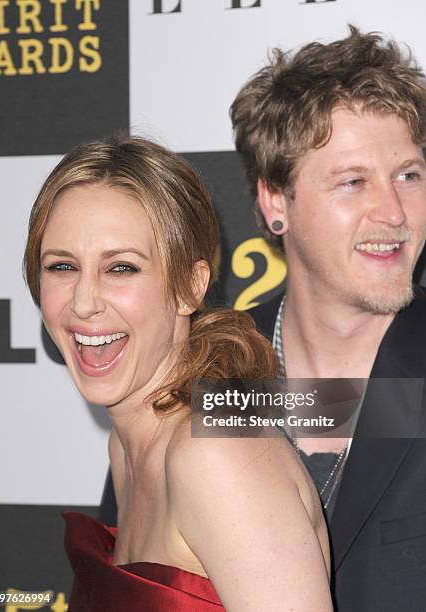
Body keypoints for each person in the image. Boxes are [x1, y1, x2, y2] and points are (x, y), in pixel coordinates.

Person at [23, 135, 332, 611]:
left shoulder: (214, 457)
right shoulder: (130, 447)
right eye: (62, 266)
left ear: (190, 286)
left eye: (121, 268)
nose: (83, 302)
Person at [228, 25, 426, 611]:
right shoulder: (211, 372)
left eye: (409, 174)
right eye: (353, 182)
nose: (394, 211)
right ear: (276, 201)